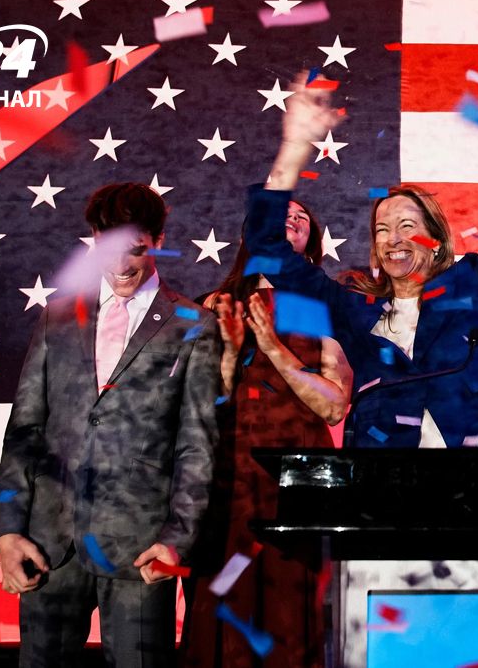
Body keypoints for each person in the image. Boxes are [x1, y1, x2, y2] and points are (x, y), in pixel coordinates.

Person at [242, 74, 478, 448]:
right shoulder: (351, 308)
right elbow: (266, 247)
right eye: (382, 229)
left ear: (436, 242)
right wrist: (295, 147)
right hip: (386, 478)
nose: (393, 239)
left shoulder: (476, 285)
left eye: (407, 226)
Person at [0, 183, 221, 667]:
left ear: (158, 240)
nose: (120, 264)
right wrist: (8, 532)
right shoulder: (57, 316)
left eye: (134, 249)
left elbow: (197, 445)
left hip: (141, 550)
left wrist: (176, 540)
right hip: (50, 545)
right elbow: (24, 431)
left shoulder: (192, 324)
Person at [181, 199, 352, 668]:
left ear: (311, 242)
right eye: (280, 215)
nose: (290, 220)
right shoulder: (213, 305)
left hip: (302, 475)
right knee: (226, 591)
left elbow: (334, 407)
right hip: (230, 472)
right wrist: (230, 354)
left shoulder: (323, 308)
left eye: (301, 218)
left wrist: (275, 349)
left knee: (293, 597)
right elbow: (198, 405)